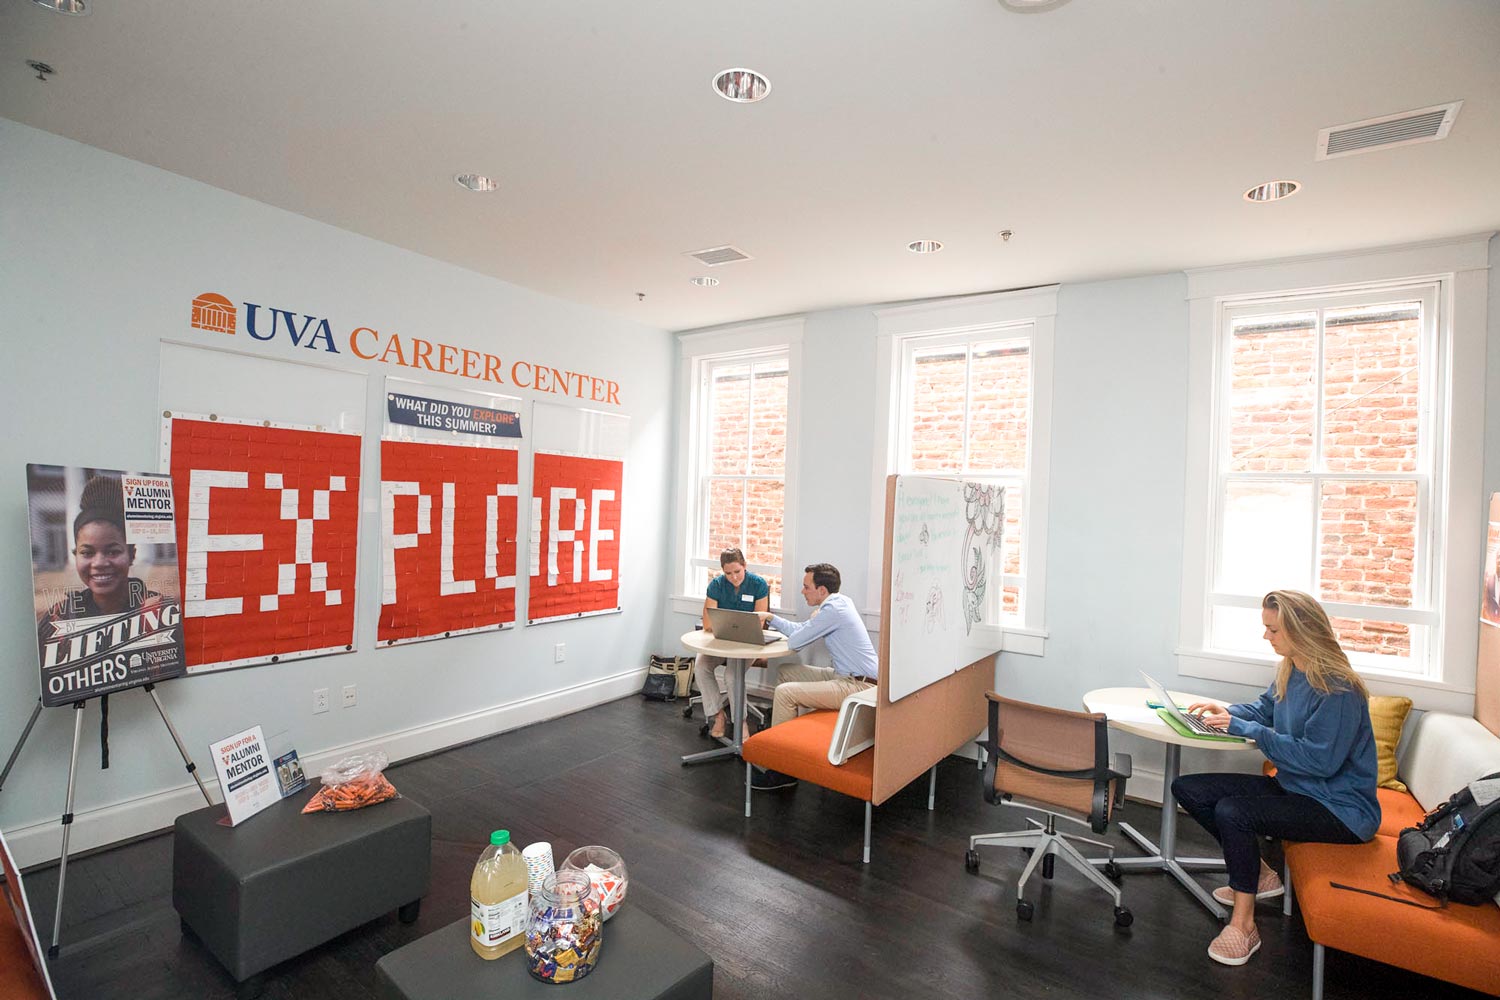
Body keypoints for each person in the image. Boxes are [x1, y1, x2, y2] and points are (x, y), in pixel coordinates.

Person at [1172, 590, 1379, 967]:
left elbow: (1319, 763)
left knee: (1234, 812)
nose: (1267, 637)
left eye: (1273, 630)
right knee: (1189, 789)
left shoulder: (1339, 688)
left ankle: (1244, 924)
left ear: (1301, 631)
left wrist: (1245, 727)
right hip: (1297, 789)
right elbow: (1266, 708)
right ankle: (1261, 875)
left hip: (1340, 809)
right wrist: (1229, 711)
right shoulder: (1293, 668)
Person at [750, 562, 878, 790]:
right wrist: (770, 617)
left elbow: (796, 642)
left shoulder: (833, 611)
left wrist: (812, 619)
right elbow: (800, 631)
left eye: (806, 586)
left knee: (785, 692)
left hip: (858, 686)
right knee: (786, 672)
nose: (802, 591)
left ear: (822, 591)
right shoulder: (839, 602)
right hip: (846, 677)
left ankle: (781, 771)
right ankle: (790, 744)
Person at [36, 475, 167, 650]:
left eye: (113, 551)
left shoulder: (160, 613)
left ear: (131, 554)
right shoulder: (58, 618)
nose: (99, 563)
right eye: (87, 552)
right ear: (75, 556)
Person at [694, 547, 770, 740]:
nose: (733, 577)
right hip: (721, 642)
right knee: (701, 666)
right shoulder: (717, 585)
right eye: (728, 573)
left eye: (737, 571)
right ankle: (718, 715)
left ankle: (741, 721)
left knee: (732, 675)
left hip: (748, 644)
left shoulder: (758, 584)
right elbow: (708, 623)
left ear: (745, 566)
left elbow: (760, 622)